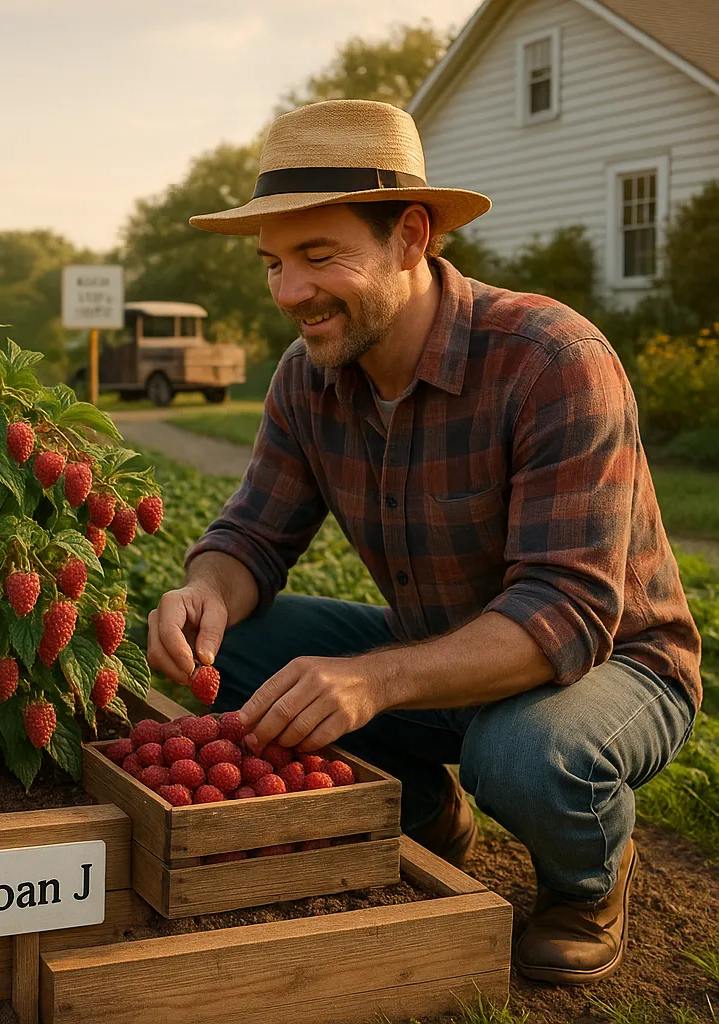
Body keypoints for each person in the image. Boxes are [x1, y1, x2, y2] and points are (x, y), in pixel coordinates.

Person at [146, 99, 700, 985]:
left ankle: (589, 881)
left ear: (410, 236)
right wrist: (208, 589)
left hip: (611, 665)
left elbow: (565, 611)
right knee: (237, 649)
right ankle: (425, 807)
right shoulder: (309, 379)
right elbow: (250, 535)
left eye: (319, 256)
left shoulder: (553, 359)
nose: (290, 292)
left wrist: (374, 680)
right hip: (442, 654)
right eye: (275, 263)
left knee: (522, 751)